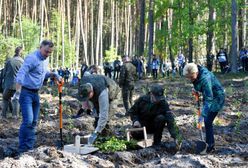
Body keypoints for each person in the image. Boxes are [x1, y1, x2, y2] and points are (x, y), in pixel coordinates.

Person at [14, 40, 62, 153]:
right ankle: (22, 149)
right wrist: (18, 91)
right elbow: (21, 73)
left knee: (34, 121)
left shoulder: (45, 60)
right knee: (28, 121)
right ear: (40, 47)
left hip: (35, 93)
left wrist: (53, 74)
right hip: (26, 93)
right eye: (46, 51)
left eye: (50, 52)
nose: (47, 54)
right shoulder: (32, 58)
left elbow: (42, 73)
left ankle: (29, 148)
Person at [183, 63, 225, 153]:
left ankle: (210, 146)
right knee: (207, 121)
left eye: (191, 77)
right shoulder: (197, 74)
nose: (190, 79)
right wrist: (196, 90)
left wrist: (202, 114)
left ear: (196, 72)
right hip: (209, 97)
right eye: (188, 78)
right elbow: (198, 84)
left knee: (207, 121)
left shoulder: (205, 78)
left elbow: (209, 99)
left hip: (217, 98)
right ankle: (208, 143)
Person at [78, 74, 120, 144]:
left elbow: (104, 114)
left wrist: (95, 132)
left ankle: (106, 139)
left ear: (91, 92)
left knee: (106, 118)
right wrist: (85, 107)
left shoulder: (102, 92)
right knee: (97, 117)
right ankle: (98, 137)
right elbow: (84, 98)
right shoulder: (82, 84)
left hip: (113, 94)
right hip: (98, 93)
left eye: (88, 97)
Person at [1, 46, 24, 118]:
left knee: (5, 98)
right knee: (16, 99)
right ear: (21, 53)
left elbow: (3, 73)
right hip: (18, 85)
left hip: (8, 84)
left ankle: (3, 115)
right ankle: (15, 116)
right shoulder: (23, 62)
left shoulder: (9, 61)